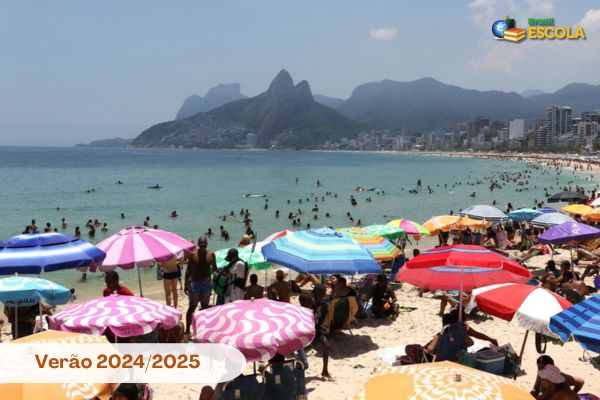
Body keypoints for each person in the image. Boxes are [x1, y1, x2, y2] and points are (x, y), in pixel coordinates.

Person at [184, 237, 216, 334]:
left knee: (205, 307)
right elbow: (189, 269)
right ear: (198, 243)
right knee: (192, 307)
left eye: (204, 242)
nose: (202, 244)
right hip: (195, 283)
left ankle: (204, 328)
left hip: (207, 283)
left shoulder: (211, 254)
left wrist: (225, 273)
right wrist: (186, 283)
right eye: (201, 242)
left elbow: (215, 269)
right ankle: (187, 330)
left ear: (207, 243)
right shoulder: (193, 255)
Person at [299, 286, 331, 379]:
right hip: (306, 331)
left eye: (323, 294)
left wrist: (325, 326)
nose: (322, 296)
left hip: (317, 330)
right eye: (320, 294)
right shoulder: (308, 304)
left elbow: (323, 319)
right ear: (314, 293)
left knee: (326, 346)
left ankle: (325, 371)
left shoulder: (324, 305)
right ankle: (300, 374)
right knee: (302, 358)